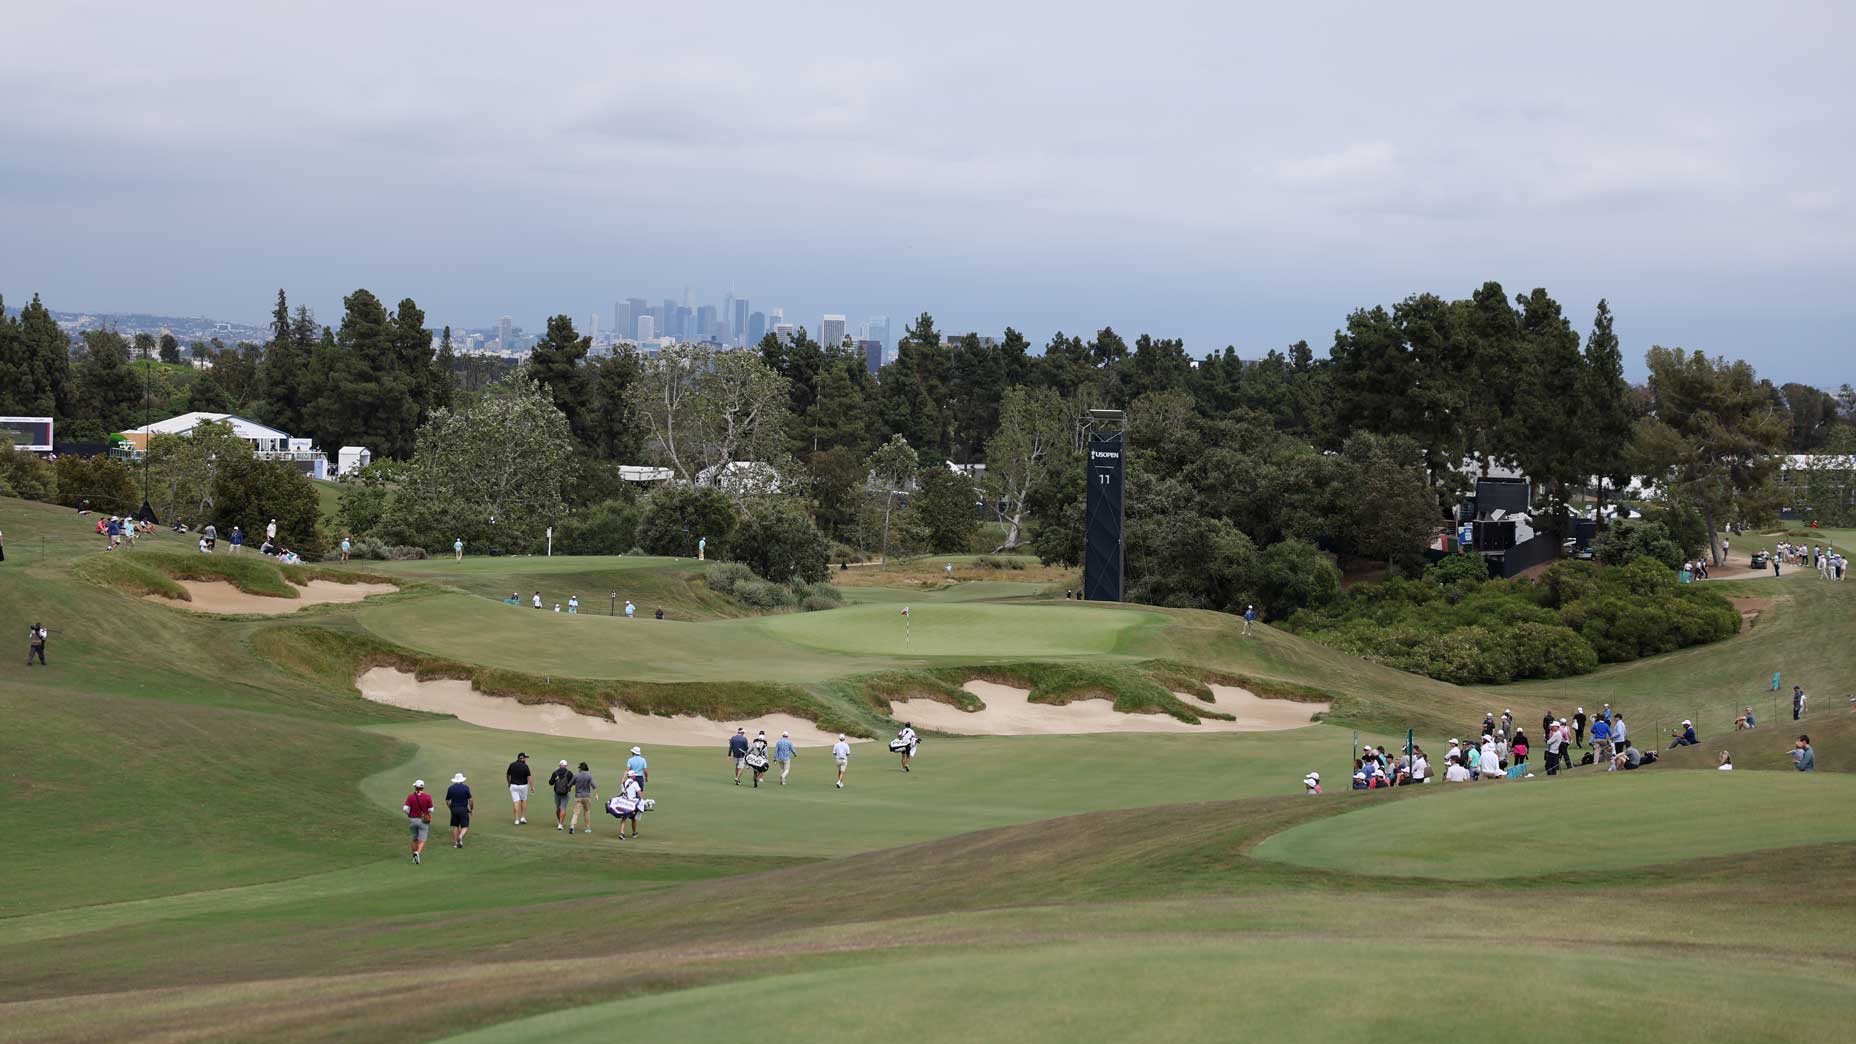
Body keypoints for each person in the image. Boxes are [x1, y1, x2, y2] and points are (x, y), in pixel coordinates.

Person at [403, 779, 434, 864]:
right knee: (423, 839)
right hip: (423, 821)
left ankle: (414, 858)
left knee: (414, 839)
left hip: (412, 820)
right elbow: (431, 809)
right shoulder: (428, 796)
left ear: (415, 787)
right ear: (423, 787)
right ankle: (418, 853)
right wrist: (426, 813)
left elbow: (405, 809)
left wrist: (409, 814)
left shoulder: (410, 796)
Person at [609, 771, 643, 839]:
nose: (635, 776)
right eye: (634, 775)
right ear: (631, 776)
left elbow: (623, 792)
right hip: (632, 803)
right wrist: (641, 800)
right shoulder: (635, 783)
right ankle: (634, 833)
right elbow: (639, 792)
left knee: (624, 818)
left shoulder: (623, 783)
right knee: (633, 818)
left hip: (624, 802)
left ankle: (622, 833)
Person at [445, 773, 474, 849]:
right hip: (463, 809)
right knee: (465, 826)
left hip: (454, 809)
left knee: (455, 826)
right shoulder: (466, 788)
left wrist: (450, 808)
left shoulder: (450, 788)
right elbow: (470, 800)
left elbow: (447, 800)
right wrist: (471, 809)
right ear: (462, 780)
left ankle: (456, 843)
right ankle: (460, 836)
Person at [569, 761, 597, 834]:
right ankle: (587, 828)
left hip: (578, 796)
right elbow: (594, 786)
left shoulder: (576, 775)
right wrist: (596, 794)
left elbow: (570, 784)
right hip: (586, 796)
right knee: (587, 812)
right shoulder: (589, 776)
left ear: (581, 768)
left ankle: (572, 826)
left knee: (576, 813)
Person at [506, 752, 531, 825]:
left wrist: (509, 783)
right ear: (522, 758)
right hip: (523, 786)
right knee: (523, 800)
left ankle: (516, 819)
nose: (526, 759)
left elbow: (508, 774)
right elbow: (529, 777)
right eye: (525, 757)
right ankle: (523, 817)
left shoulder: (512, 764)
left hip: (513, 786)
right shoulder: (525, 766)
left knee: (516, 802)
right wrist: (532, 786)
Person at [549, 759, 575, 830]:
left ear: (559, 765)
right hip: (565, 793)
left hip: (557, 793)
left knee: (558, 808)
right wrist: (568, 787)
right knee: (563, 808)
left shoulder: (555, 773)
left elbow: (550, 783)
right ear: (566, 766)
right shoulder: (569, 773)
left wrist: (555, 780)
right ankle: (560, 824)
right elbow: (573, 782)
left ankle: (559, 821)